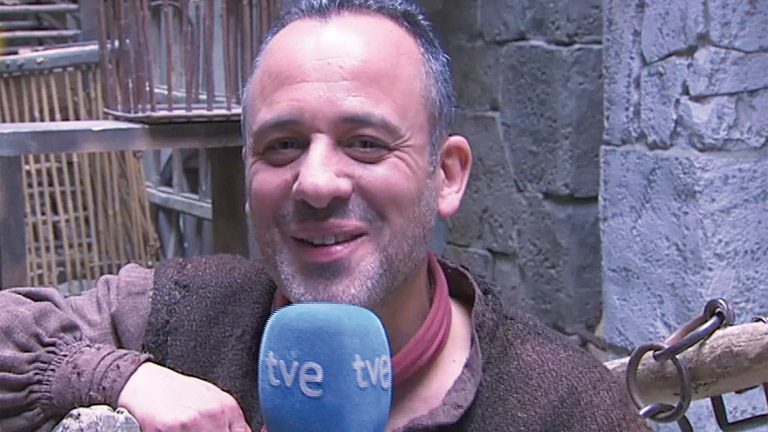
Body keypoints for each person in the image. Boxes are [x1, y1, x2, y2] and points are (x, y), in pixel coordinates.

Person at [0, 1, 652, 431]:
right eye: (282, 145)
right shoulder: (180, 313)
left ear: (447, 174)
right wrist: (122, 377)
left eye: (365, 143)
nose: (315, 183)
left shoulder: (567, 407)